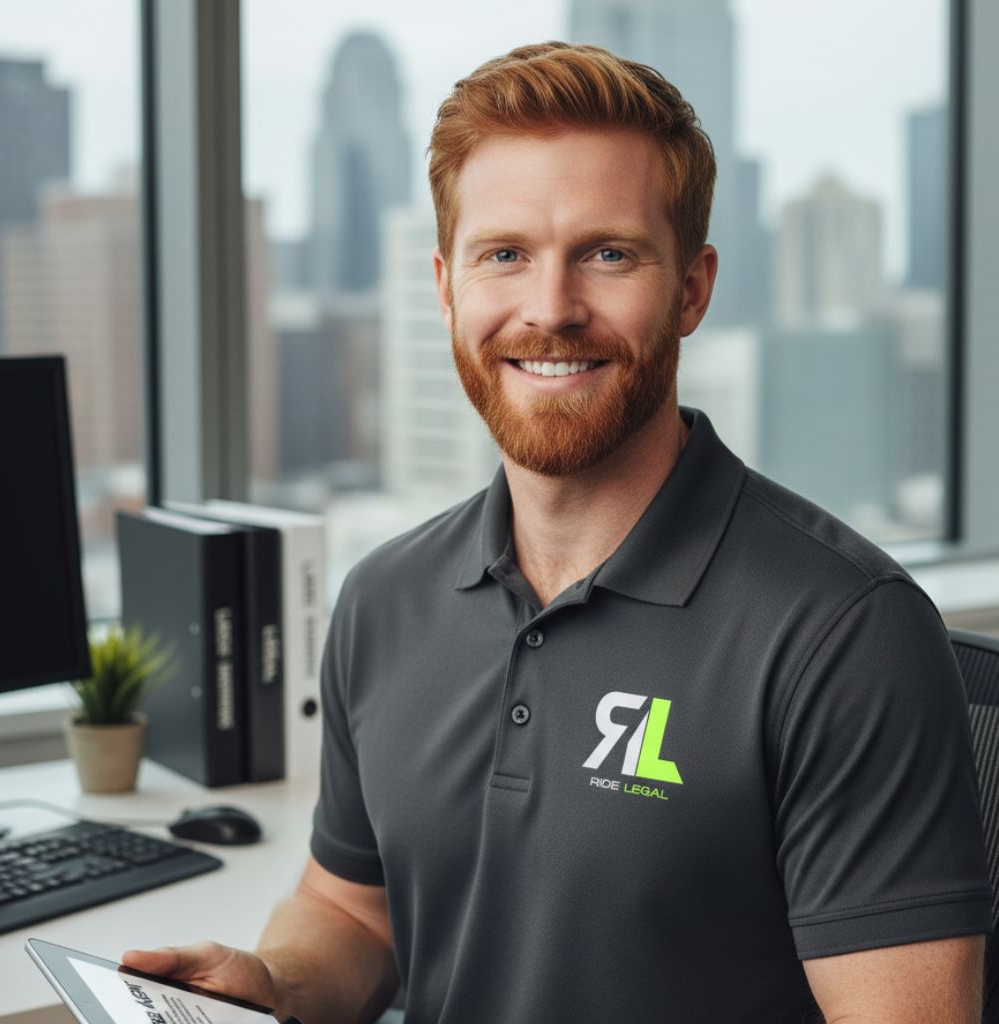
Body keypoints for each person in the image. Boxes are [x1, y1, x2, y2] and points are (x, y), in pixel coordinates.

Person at [125, 42, 992, 1022]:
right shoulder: (382, 601)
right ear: (447, 287)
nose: (549, 310)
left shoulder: (844, 633)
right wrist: (274, 985)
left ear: (693, 289)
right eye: (505, 255)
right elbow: (355, 911)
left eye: (608, 253)